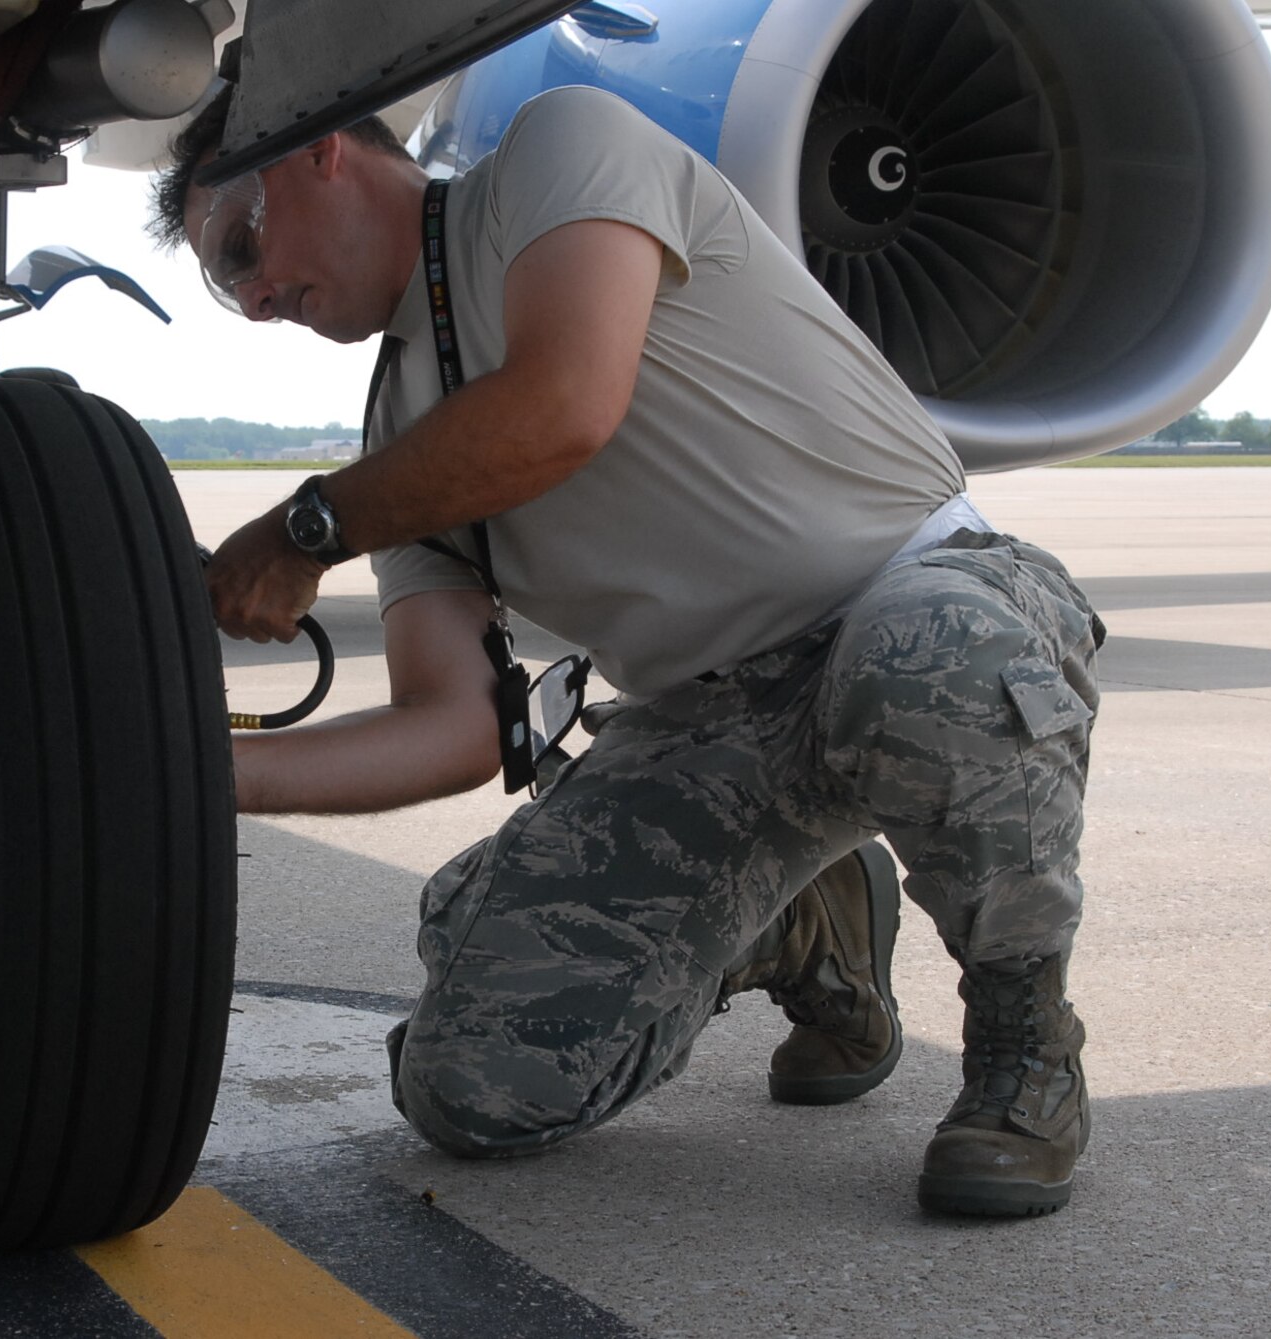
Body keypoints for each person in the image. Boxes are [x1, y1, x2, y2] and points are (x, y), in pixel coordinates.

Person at [149, 81, 1103, 1217]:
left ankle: (1021, 1047)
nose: (254, 299)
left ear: (317, 153)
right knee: (469, 1088)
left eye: (241, 247)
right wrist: (203, 774)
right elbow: (449, 725)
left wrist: (307, 527)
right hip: (716, 724)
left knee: (920, 665)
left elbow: (562, 402)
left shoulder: (559, 153)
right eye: (225, 287)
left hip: (911, 592)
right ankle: (797, 914)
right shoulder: (400, 431)